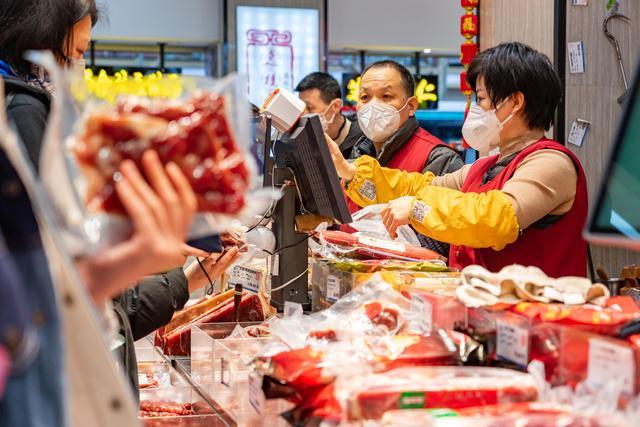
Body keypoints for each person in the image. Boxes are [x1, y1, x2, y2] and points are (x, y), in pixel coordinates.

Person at [327, 42, 588, 278]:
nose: (475, 108)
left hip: (538, 318)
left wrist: (417, 209)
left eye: (482, 98)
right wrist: (349, 171)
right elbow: (418, 186)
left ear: (516, 102)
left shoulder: (551, 162)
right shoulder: (485, 166)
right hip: (481, 310)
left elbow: (495, 219)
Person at [330, 61, 463, 256]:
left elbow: (445, 241)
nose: (373, 106)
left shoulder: (439, 157)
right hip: (351, 276)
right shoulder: (357, 155)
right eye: (365, 97)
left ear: (411, 106)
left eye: (386, 96)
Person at [295, 72, 364, 159]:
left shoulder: (362, 140)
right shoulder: (304, 141)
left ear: (336, 106)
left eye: (309, 108)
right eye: (301, 108)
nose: (303, 115)